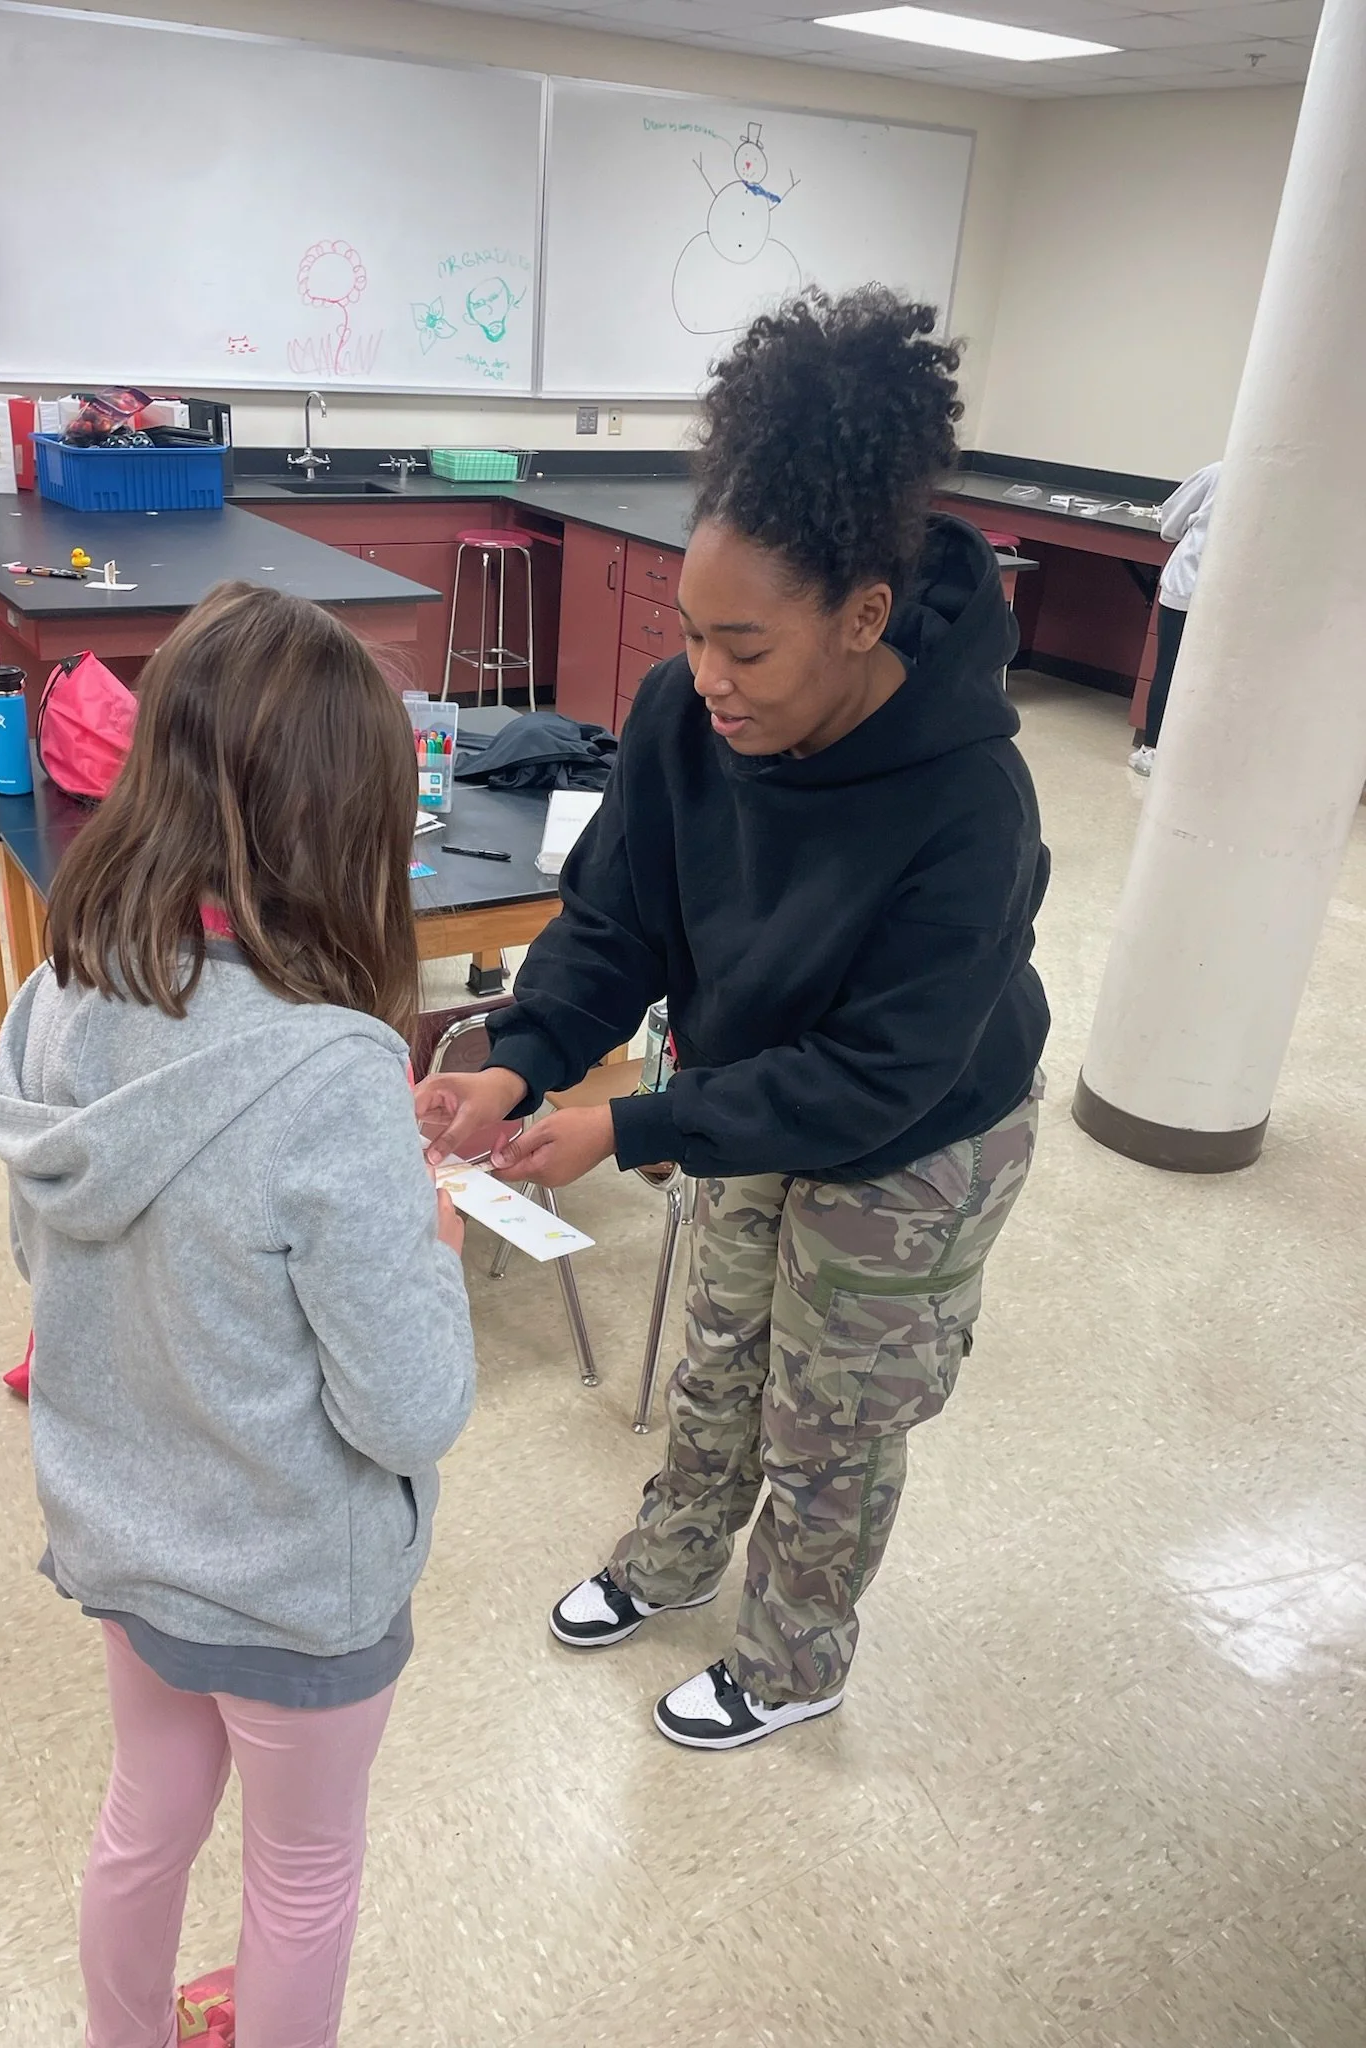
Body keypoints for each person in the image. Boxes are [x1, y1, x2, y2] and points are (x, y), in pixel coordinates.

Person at [418, 287, 1050, 1752]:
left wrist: (632, 1122)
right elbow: (617, 920)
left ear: (864, 616)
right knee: (723, 1342)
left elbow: (876, 1076)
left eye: (748, 649)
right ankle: (677, 1554)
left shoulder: (970, 801)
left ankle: (794, 1656)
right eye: (695, 635)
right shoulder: (679, 716)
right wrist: (521, 1065)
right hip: (755, 1078)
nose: (709, 678)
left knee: (833, 1405)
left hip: (920, 1126)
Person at [0, 584, 476, 2047]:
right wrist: (436, 1243)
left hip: (127, 1538)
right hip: (295, 1588)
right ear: (350, 828)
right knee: (303, 1875)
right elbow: (407, 1406)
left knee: (145, 1818)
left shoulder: (56, 995)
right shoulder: (334, 1071)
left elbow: (40, 1253)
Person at [1129, 458, 1221, 775]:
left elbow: (1169, 526)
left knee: (1168, 667)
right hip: (1231, 597)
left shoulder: (1216, 473)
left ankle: (1152, 750)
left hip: (1187, 587)